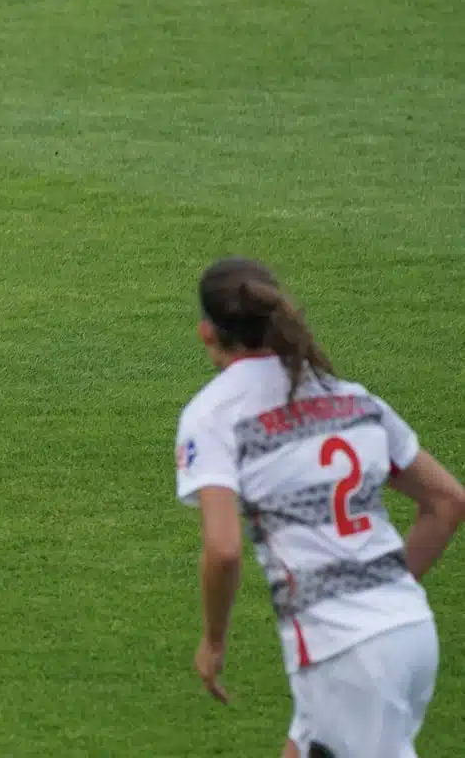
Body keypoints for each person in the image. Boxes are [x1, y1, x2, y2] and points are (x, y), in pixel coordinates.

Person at [175, 257, 465, 757]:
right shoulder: (351, 397)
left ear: (207, 333)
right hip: (409, 630)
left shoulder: (216, 413)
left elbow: (223, 550)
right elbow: (447, 502)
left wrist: (214, 641)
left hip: (344, 652)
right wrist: (384, 598)